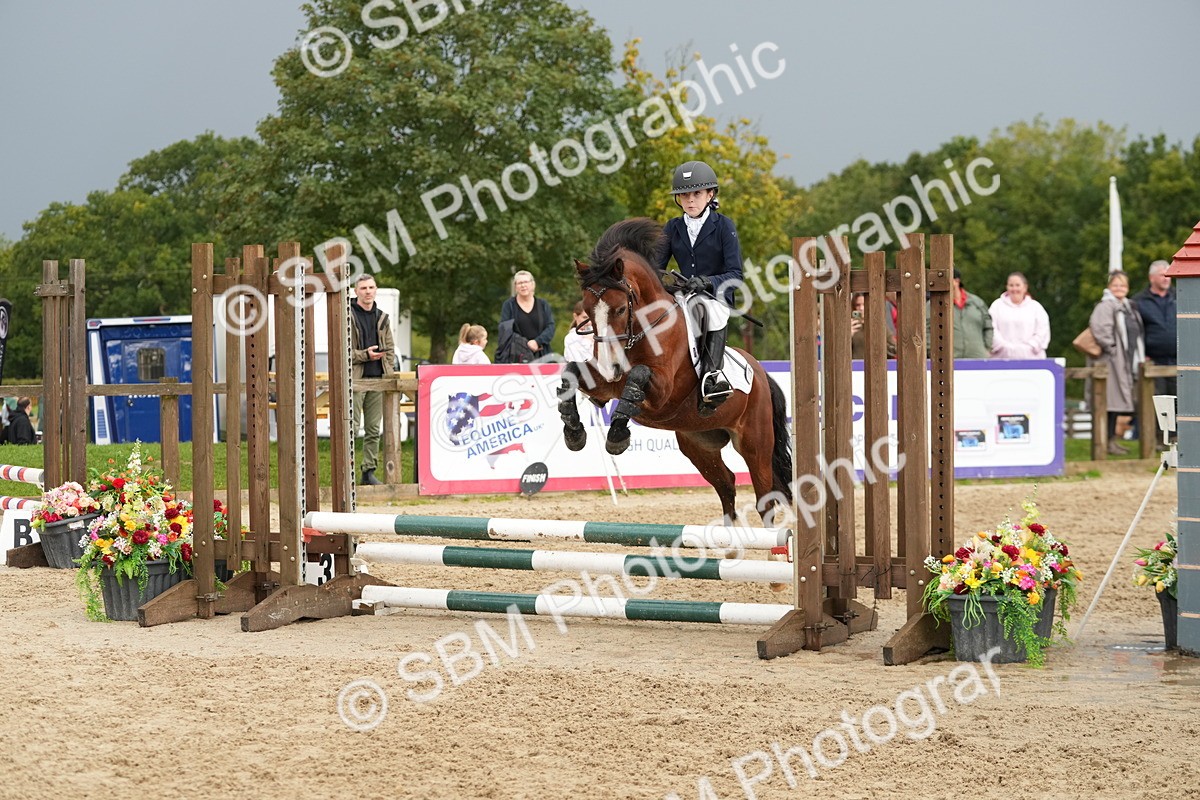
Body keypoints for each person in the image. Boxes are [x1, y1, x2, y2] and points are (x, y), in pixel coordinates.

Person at [653, 160, 742, 416]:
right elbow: (656, 266)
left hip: (714, 296)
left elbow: (735, 273)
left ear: (710, 194)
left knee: (708, 311)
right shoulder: (673, 227)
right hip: (681, 295)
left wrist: (706, 281)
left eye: (697, 194)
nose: (690, 200)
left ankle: (712, 377)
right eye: (684, 195)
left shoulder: (724, 226)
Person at [1090, 270, 1145, 455]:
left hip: (1126, 361)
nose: (1119, 288)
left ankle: (1112, 440)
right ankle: (1104, 442)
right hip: (1111, 361)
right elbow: (1100, 329)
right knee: (1107, 403)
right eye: (1115, 285)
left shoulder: (1129, 307)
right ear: (1109, 287)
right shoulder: (1106, 306)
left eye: (1122, 285)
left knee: (1116, 403)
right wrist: (1112, 349)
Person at [350, 274, 396, 485]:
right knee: (351, 426)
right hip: (355, 379)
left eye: (371, 287)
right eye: (363, 288)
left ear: (376, 289)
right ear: (355, 291)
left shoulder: (383, 317)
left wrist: (388, 371)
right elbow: (343, 351)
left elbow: (390, 349)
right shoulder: (347, 316)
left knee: (373, 429)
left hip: (377, 377)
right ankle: (346, 471)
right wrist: (365, 355)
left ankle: (368, 471)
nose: (367, 291)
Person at [1133, 260, 1176, 399]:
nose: (1166, 279)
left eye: (1168, 275)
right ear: (1151, 277)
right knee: (1157, 405)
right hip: (1152, 362)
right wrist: (1141, 354)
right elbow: (1134, 330)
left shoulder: (1179, 297)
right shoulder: (1138, 301)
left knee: (1181, 404)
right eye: (1162, 275)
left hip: (1179, 361)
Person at [497, 271, 555, 364]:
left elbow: (550, 327)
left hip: (542, 355)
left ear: (533, 284)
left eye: (526, 282)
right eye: (520, 283)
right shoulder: (509, 305)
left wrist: (537, 342)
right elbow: (505, 330)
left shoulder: (543, 304)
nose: (523, 285)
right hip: (517, 357)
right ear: (515, 286)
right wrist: (525, 344)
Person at [989, 272, 1050, 358]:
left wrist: (1029, 347)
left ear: (1025, 287)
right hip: (1002, 358)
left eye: (1017, 285)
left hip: (1031, 359)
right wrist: (1004, 347)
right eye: (1011, 285)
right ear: (1007, 287)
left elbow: (1042, 331)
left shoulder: (1036, 307)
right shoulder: (996, 306)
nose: (1014, 289)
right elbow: (990, 328)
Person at [951, 269, 993, 358]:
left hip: (978, 358)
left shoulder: (977, 302)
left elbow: (988, 326)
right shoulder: (933, 305)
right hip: (948, 360)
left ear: (957, 280)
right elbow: (927, 329)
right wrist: (931, 352)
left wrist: (987, 348)